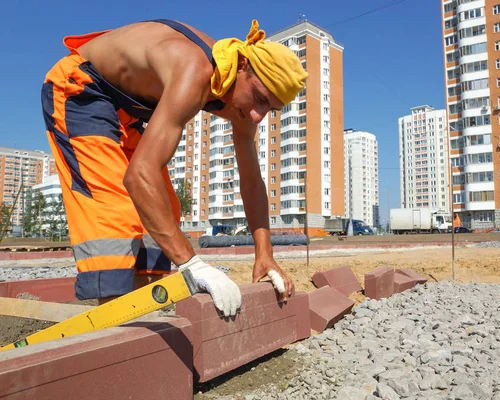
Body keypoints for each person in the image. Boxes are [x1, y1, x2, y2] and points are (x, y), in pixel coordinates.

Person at [41, 19, 307, 316]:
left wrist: (265, 253)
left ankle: (141, 313)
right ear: (242, 65)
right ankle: (113, 327)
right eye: (258, 98)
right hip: (83, 87)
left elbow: (251, 179)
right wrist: (193, 265)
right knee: (113, 211)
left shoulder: (242, 102)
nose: (257, 116)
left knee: (163, 205)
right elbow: (139, 174)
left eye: (268, 108)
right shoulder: (193, 69)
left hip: (129, 111)